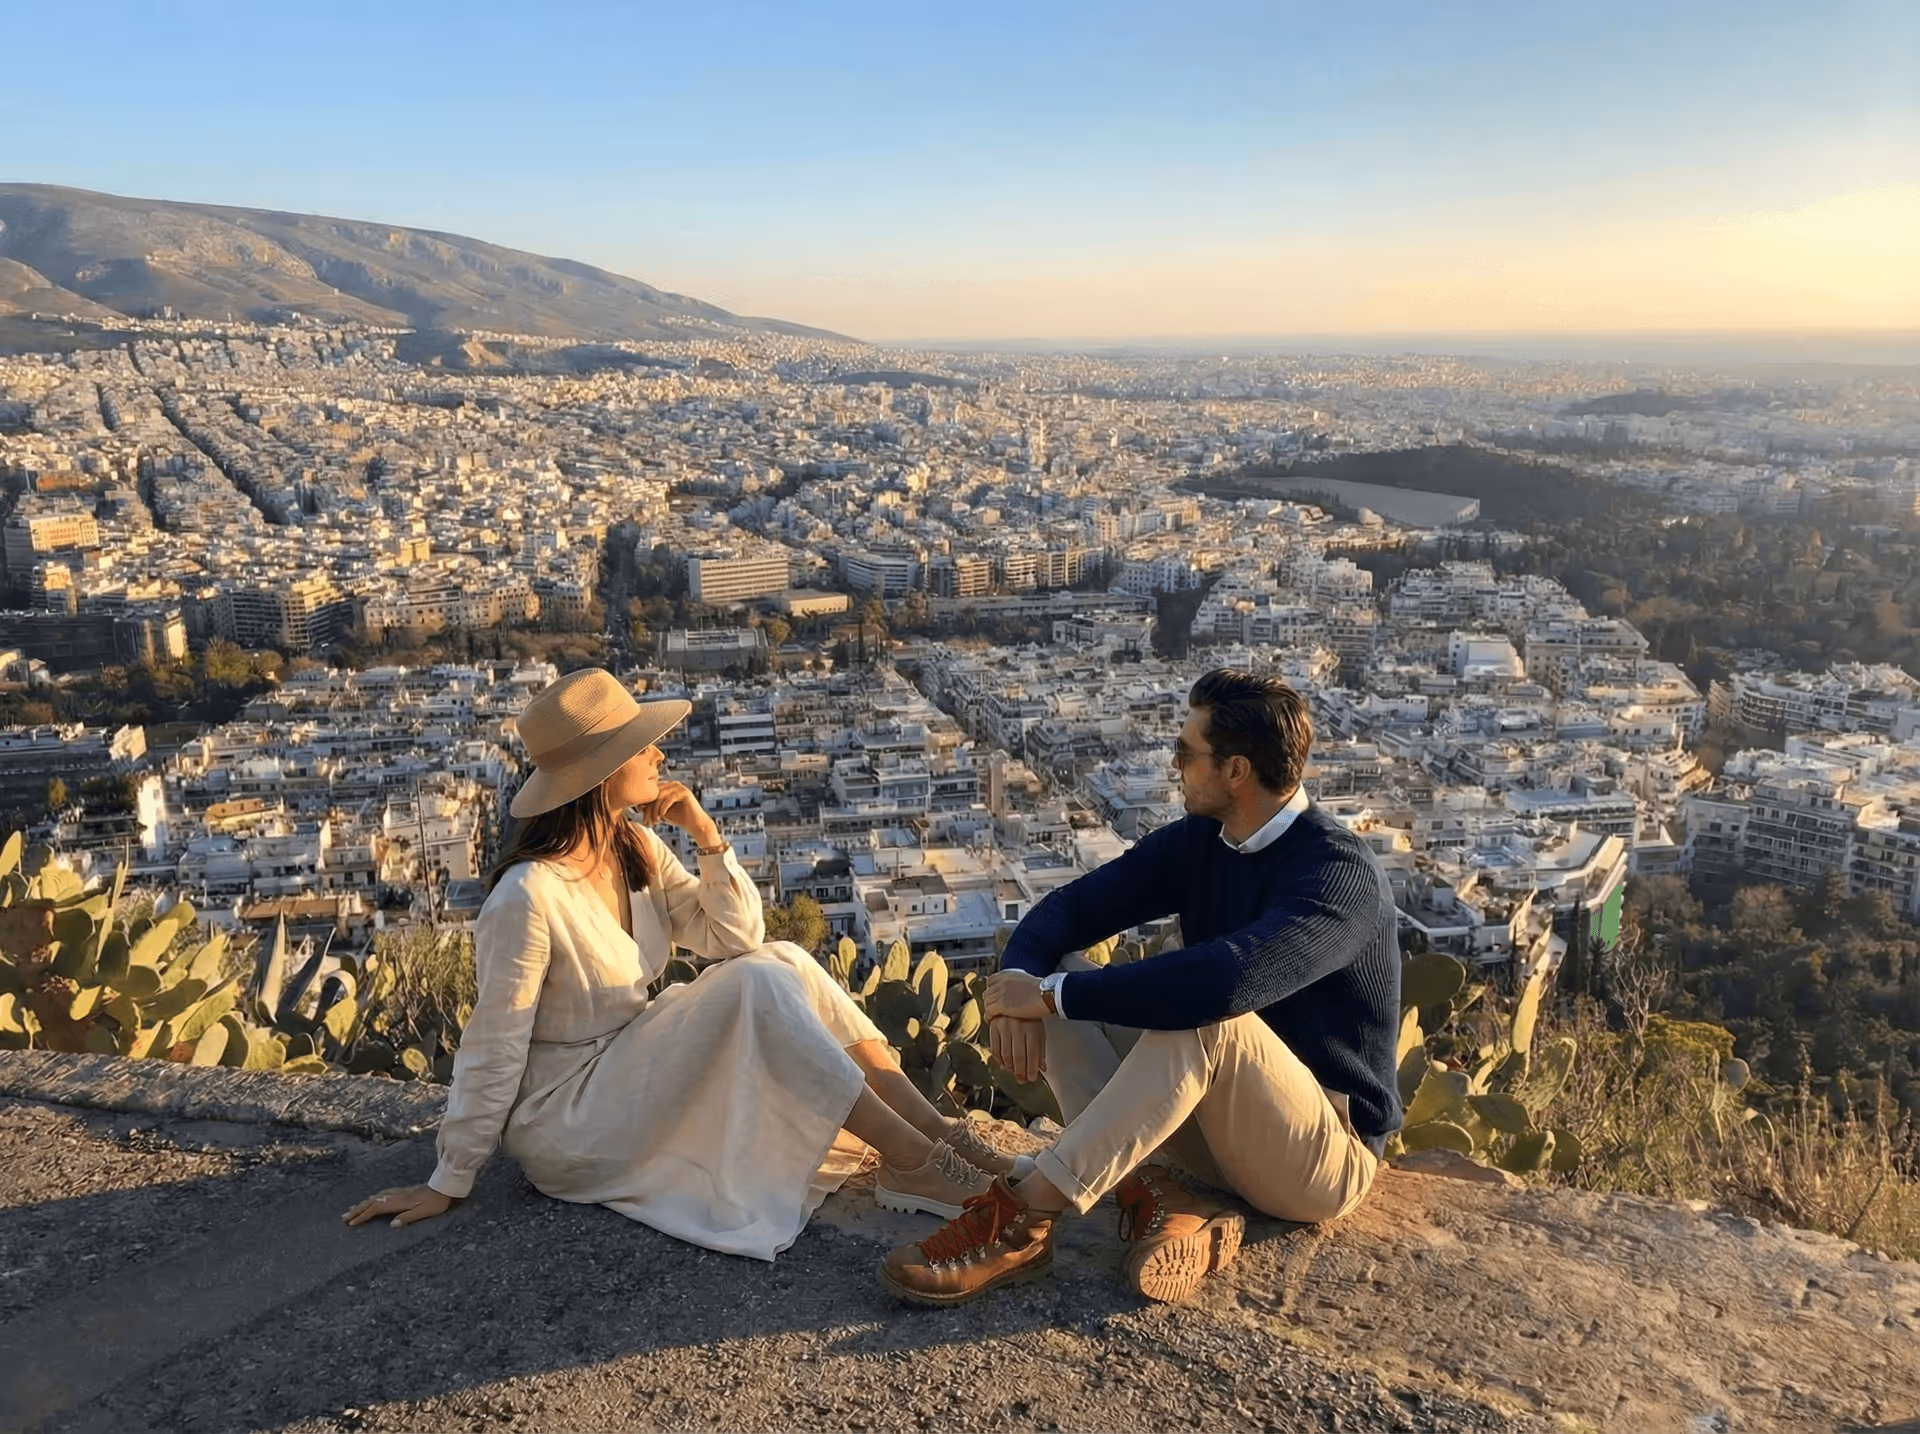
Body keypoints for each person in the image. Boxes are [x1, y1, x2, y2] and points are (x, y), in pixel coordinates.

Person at [345, 668, 1006, 1259]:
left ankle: (936, 1134)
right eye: (642, 744)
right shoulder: (527, 898)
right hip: (571, 1118)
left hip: (635, 1069)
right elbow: (493, 1045)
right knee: (756, 980)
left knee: (781, 958)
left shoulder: (630, 845)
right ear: (603, 771)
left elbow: (737, 934)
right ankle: (912, 1160)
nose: (659, 752)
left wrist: (707, 837)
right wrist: (449, 1177)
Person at [880, 668, 1402, 1305]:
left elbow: (1227, 979)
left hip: (1321, 1155)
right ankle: (1163, 1195)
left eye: (1186, 752)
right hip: (1212, 1133)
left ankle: (1026, 1214)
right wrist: (1022, 984)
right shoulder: (1205, 841)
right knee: (1062, 973)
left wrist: (1049, 998)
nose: (1174, 763)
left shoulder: (1337, 874)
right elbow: (1071, 909)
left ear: (1235, 771)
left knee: (1207, 1019)